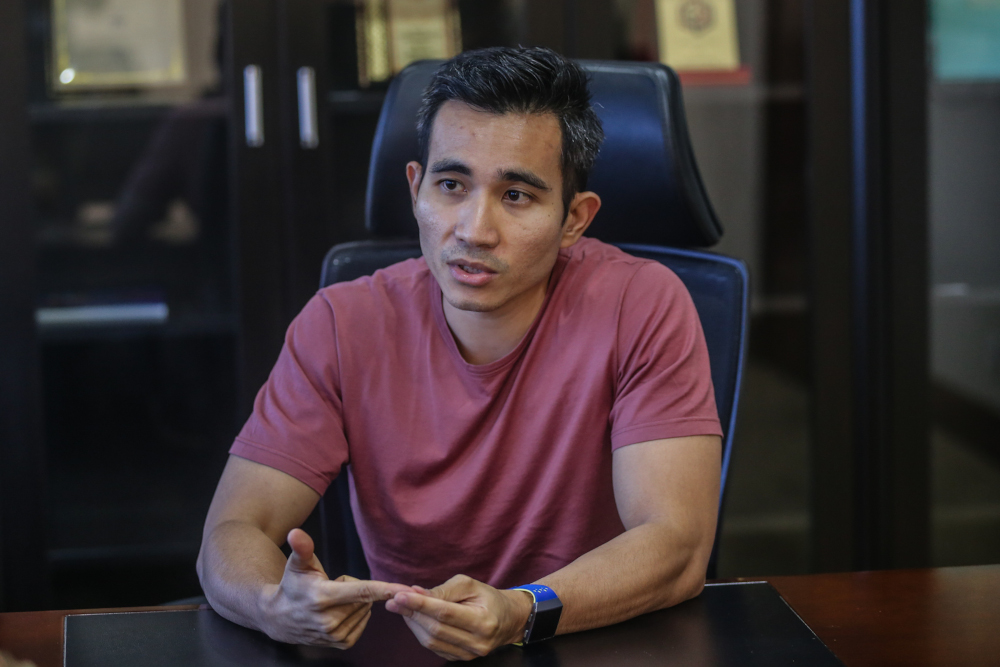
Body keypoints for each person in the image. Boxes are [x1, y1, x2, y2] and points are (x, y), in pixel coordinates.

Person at [197, 46, 723, 661]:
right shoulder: (342, 322)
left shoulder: (643, 303)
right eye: (452, 185)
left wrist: (520, 611)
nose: (474, 229)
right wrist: (273, 605)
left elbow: (676, 544)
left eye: (518, 195)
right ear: (416, 189)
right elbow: (233, 532)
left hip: (592, 644)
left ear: (575, 219)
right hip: (408, 649)